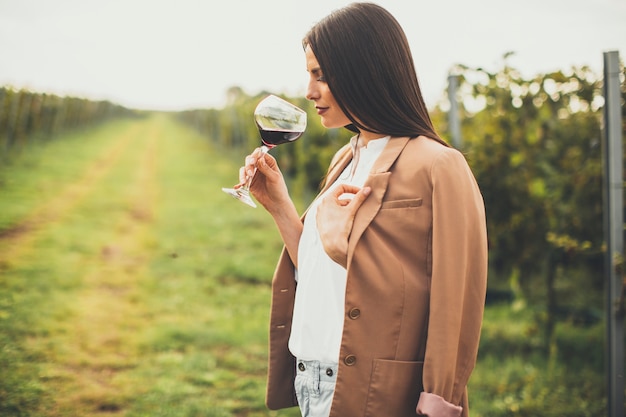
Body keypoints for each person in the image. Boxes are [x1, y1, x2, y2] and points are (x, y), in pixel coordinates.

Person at [236, 2, 488, 416]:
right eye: (308, 74)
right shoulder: (347, 157)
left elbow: (455, 299)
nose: (308, 91)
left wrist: (439, 401)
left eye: (320, 74)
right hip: (312, 380)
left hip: (371, 392)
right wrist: (281, 207)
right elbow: (325, 274)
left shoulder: (439, 166)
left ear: (363, 71)